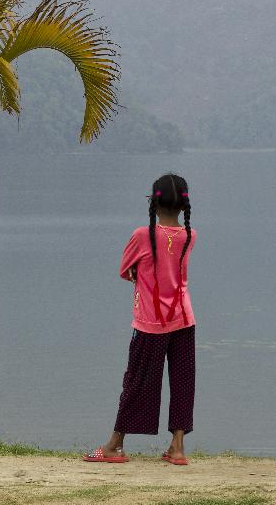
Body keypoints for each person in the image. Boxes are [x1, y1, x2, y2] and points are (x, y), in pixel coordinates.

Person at [83, 172, 197, 465]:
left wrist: (138, 274)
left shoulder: (141, 236)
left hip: (150, 322)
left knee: (137, 380)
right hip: (184, 319)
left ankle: (114, 445)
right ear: (184, 207)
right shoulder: (189, 236)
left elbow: (125, 269)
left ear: (153, 204)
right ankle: (178, 447)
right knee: (182, 381)